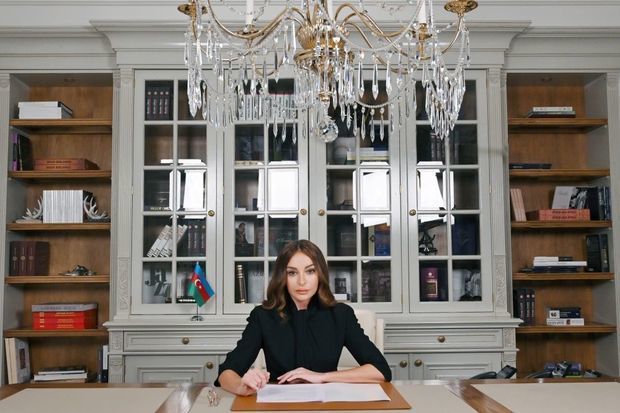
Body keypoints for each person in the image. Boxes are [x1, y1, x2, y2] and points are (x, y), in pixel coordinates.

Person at [216, 239, 391, 396]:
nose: (301, 281)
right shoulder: (262, 316)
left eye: (310, 271)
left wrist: (322, 377)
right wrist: (241, 386)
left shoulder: (341, 314)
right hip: (279, 404)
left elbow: (380, 370)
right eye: (292, 273)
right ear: (282, 277)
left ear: (320, 274)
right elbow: (226, 373)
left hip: (327, 405)